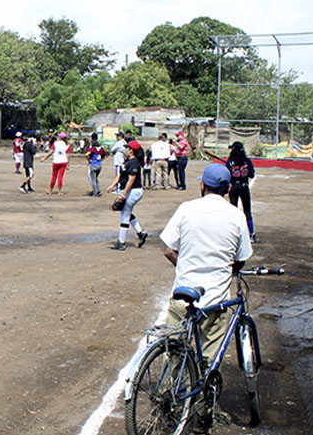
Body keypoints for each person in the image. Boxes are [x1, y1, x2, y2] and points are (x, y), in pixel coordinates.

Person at [159, 162, 253, 364]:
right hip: (215, 298)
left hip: (183, 293)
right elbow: (240, 259)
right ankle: (203, 394)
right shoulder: (237, 216)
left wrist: (185, 265)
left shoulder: (186, 209)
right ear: (228, 189)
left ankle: (167, 391)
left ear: (203, 185)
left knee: (173, 353)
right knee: (209, 360)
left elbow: (169, 250)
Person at [107, 141, 149, 250]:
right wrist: (112, 186)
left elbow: (131, 180)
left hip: (134, 191)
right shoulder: (127, 162)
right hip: (128, 190)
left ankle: (121, 243)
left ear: (131, 150)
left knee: (124, 216)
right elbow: (120, 175)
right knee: (127, 212)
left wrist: (123, 195)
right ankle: (141, 233)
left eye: (127, 148)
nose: (125, 149)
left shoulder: (134, 163)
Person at [225, 141, 258, 243]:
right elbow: (252, 175)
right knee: (247, 211)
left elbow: (228, 177)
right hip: (244, 187)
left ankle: (232, 234)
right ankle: (251, 234)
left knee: (233, 211)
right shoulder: (247, 161)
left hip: (234, 187)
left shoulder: (229, 162)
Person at [85, 133, 107, 197]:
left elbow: (86, 154)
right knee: (96, 179)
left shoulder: (93, 149)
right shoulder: (101, 149)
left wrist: (89, 160)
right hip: (99, 165)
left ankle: (95, 192)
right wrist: (101, 160)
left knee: (93, 179)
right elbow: (105, 154)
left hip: (93, 165)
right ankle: (99, 191)